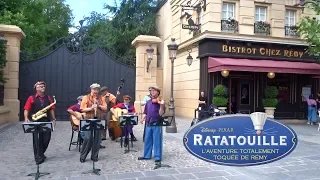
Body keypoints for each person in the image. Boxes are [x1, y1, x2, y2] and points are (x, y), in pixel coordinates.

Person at [24, 81, 57, 164]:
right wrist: (26, 118)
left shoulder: (48, 97)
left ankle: (41, 153)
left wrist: (54, 119)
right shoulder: (31, 98)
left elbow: (52, 108)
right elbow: (26, 109)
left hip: (46, 120)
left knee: (46, 139)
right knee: (37, 140)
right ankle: (38, 157)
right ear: (37, 88)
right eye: (41, 86)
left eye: (44, 86)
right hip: (36, 120)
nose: (43, 87)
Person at [79, 83, 108, 163]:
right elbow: (82, 109)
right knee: (88, 138)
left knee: (97, 139)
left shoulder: (101, 98)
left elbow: (105, 108)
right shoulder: (86, 97)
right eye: (94, 89)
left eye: (97, 89)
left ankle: (94, 156)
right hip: (88, 119)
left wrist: (99, 106)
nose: (96, 91)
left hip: (98, 119)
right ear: (91, 89)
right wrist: (91, 108)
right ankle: (83, 156)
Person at [138, 85, 166, 163]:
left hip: (157, 123)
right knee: (147, 140)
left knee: (157, 141)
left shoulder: (160, 101)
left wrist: (161, 105)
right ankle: (146, 155)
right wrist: (143, 118)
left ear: (158, 92)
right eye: (151, 90)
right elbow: (145, 112)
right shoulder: (148, 102)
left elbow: (161, 113)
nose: (152, 92)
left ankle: (157, 156)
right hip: (148, 123)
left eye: (154, 90)